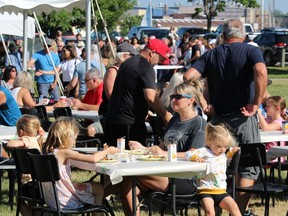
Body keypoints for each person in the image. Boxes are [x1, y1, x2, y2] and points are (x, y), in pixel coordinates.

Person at [183, 19, 268, 215]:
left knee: (216, 164)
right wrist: (256, 103)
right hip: (243, 118)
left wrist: (204, 104)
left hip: (218, 122)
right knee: (246, 168)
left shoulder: (211, 54)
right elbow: (261, 72)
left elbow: (188, 77)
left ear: (223, 36)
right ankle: (238, 212)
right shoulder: (250, 50)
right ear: (243, 35)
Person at [113, 79, 207, 215]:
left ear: (191, 100)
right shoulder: (175, 119)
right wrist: (143, 149)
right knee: (127, 183)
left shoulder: (199, 123)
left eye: (178, 97)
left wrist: (163, 153)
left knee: (132, 174)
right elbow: (161, 147)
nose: (173, 100)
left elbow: (194, 154)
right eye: (172, 96)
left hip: (185, 178)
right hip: (165, 171)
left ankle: (96, 195)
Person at [105, 39, 172, 148]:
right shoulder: (145, 66)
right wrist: (165, 114)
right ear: (152, 53)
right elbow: (151, 97)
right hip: (130, 124)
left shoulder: (127, 63)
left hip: (113, 120)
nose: (159, 62)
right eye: (160, 58)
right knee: (135, 159)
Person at [41, 117, 118, 210]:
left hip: (53, 198)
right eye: (74, 139)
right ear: (67, 137)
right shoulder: (65, 152)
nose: (74, 142)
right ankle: (97, 212)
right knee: (99, 189)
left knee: (95, 187)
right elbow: (93, 159)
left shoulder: (50, 152)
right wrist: (108, 150)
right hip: (65, 200)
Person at [185, 123, 241, 216]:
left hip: (221, 191)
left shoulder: (222, 154)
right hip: (205, 190)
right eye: (219, 146)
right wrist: (196, 157)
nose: (222, 149)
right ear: (209, 142)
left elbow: (224, 161)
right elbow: (188, 154)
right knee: (210, 212)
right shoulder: (205, 151)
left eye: (225, 146)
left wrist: (230, 153)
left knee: (234, 207)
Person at [6, 114, 45, 216]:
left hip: (30, 184)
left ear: (21, 131)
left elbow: (10, 144)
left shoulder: (26, 140)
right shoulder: (38, 139)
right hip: (40, 184)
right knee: (33, 203)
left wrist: (16, 140)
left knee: (18, 197)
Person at [98, 42, 138, 117]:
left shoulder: (124, 70)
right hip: (111, 113)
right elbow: (110, 95)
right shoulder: (113, 71)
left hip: (122, 111)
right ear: (124, 56)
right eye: (132, 56)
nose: (133, 58)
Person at [258, 96, 287, 161]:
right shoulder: (268, 119)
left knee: (255, 155)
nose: (265, 108)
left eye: (268, 106)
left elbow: (266, 128)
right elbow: (257, 126)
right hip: (267, 151)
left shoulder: (280, 123)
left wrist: (259, 113)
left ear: (277, 108)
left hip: (276, 155)